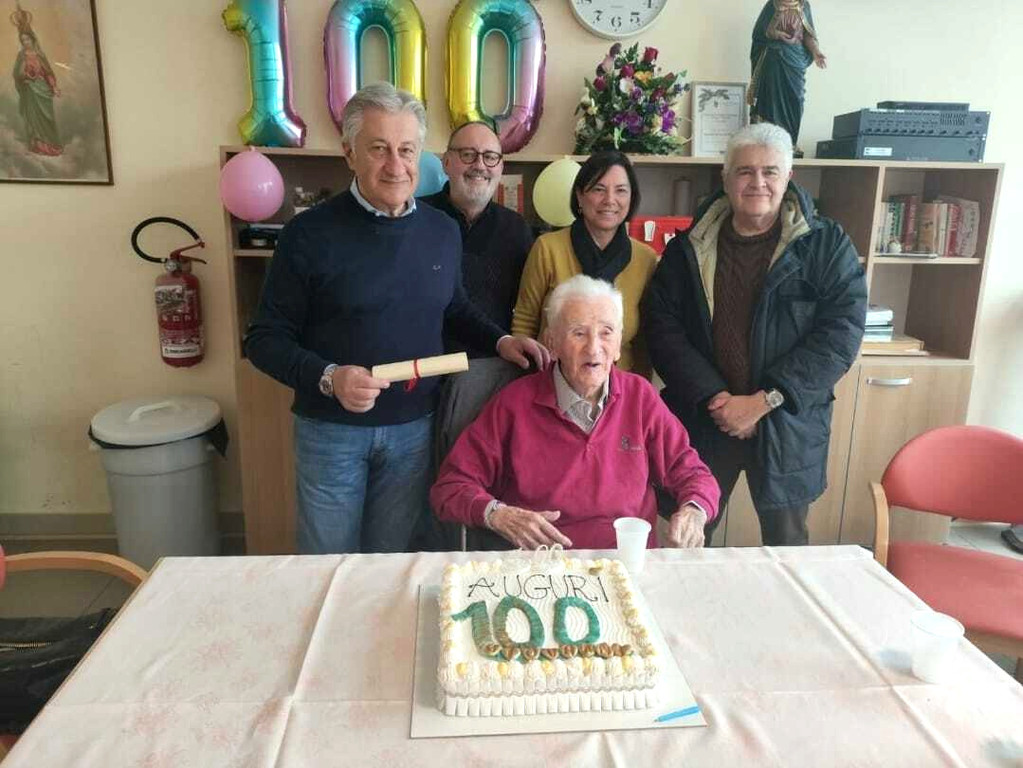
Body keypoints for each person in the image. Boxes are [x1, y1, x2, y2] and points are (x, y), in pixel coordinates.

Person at [244, 83, 548, 555]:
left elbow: (454, 307)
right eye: (378, 149)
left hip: (414, 429)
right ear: (349, 153)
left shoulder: (441, 230)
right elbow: (264, 339)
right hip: (331, 433)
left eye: (406, 150)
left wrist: (501, 340)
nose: (395, 165)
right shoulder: (307, 234)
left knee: (393, 560)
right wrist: (329, 378)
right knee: (327, 564)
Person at [642, 122, 866, 547]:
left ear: (788, 177)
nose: (757, 182)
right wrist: (717, 400)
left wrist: (764, 401)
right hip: (706, 418)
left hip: (787, 423)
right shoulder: (688, 247)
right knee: (686, 537)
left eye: (769, 171)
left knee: (787, 545)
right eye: (745, 171)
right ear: (726, 179)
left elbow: (841, 334)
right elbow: (663, 328)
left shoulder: (825, 245)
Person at [432, 275, 720, 551]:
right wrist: (499, 514)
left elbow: (693, 472)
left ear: (618, 345)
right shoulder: (514, 404)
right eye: (578, 333)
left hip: (626, 563)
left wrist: (694, 510)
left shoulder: (640, 397)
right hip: (541, 566)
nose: (593, 349)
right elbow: (451, 487)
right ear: (552, 343)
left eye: (606, 333)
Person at [512, 151, 658, 378]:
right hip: (551, 380)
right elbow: (524, 323)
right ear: (580, 196)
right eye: (599, 189)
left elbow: (644, 344)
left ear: (631, 198)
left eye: (621, 190)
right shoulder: (547, 249)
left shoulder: (645, 259)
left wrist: (639, 392)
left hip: (619, 384)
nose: (609, 200)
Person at [420, 121, 534, 359]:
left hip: (492, 363)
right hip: (424, 362)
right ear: (446, 162)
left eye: (490, 157)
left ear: (501, 167)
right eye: (468, 154)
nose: (480, 165)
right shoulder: (417, 219)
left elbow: (528, 308)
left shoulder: (517, 229)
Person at [748, 0, 826, 154]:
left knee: (796, 99)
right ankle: (767, 143)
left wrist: (816, 52)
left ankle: (790, 142)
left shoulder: (804, 6)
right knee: (770, 99)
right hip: (774, 60)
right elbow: (759, 33)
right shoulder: (773, 4)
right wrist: (777, 34)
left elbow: (808, 35)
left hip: (795, 60)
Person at [12, 26, 62, 157]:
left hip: (42, 89)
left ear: (33, 39)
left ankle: (52, 146)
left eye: (27, 39)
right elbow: (16, 74)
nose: (25, 42)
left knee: (47, 118)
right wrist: (25, 76)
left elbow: (48, 73)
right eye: (23, 40)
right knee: (33, 119)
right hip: (30, 91)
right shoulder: (21, 56)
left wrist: (54, 87)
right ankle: (38, 146)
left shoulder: (40, 55)